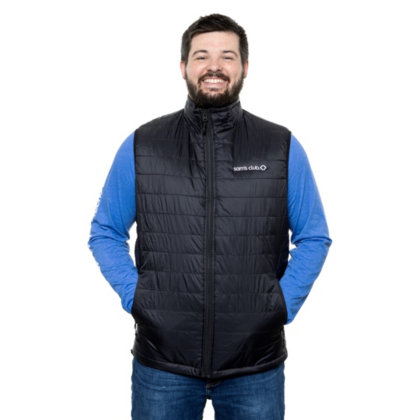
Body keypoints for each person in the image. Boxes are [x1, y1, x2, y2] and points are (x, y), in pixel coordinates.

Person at [88, 13, 332, 420]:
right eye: (202, 56)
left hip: (255, 365)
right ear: (183, 66)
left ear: (245, 67)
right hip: (162, 364)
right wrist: (138, 298)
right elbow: (105, 232)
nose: (214, 66)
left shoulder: (280, 147)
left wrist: (280, 306)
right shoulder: (143, 145)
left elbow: (314, 236)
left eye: (227, 56)